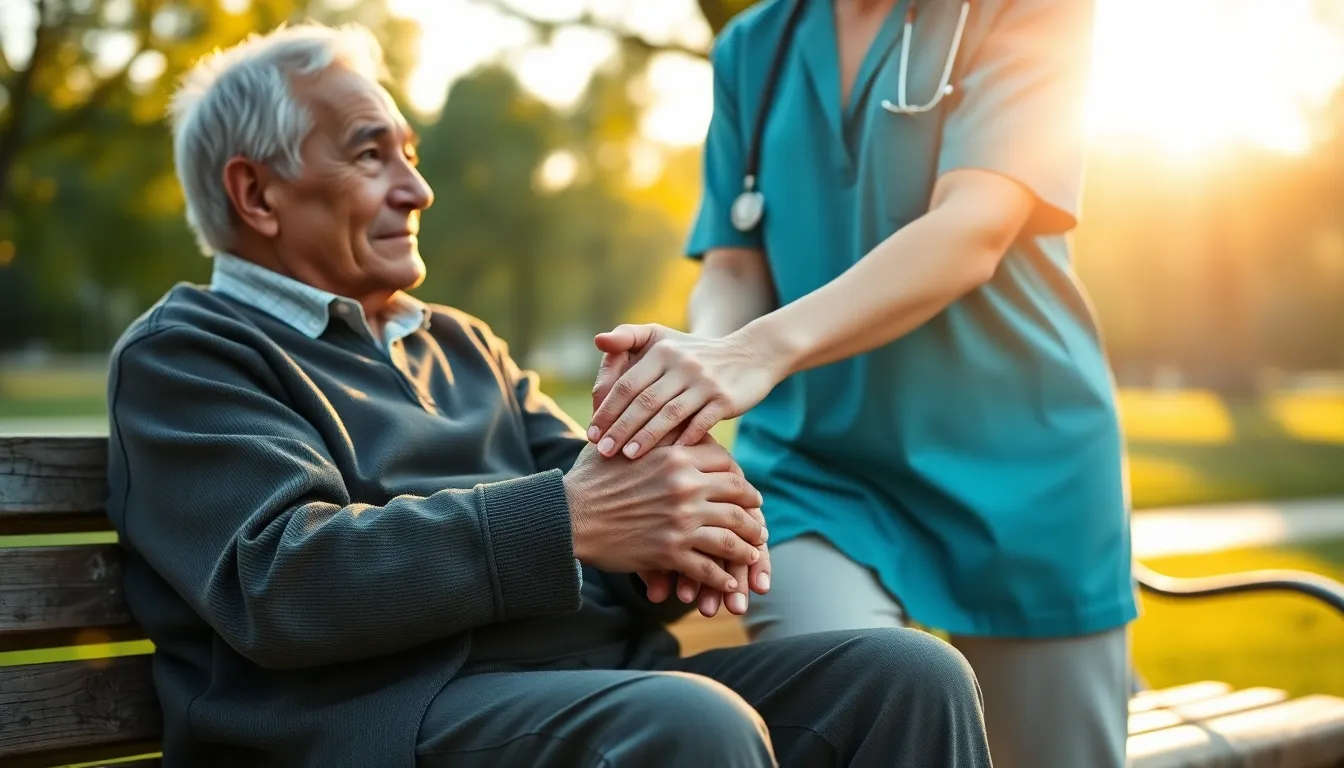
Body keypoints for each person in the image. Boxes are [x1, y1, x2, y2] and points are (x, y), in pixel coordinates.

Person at [103, 21, 994, 768]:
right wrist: (566, 521)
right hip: (376, 722)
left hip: (581, 687)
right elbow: (278, 582)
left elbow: (605, 506)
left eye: (409, 154)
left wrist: (679, 510)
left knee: (908, 677)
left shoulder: (463, 345)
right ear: (256, 193)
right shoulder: (188, 355)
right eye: (371, 155)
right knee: (687, 723)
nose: (418, 189)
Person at [585, 1, 1135, 766]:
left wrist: (754, 352)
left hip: (1020, 464)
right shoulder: (753, 47)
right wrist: (698, 364)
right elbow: (734, 265)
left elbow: (974, 227)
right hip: (818, 474)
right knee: (858, 708)